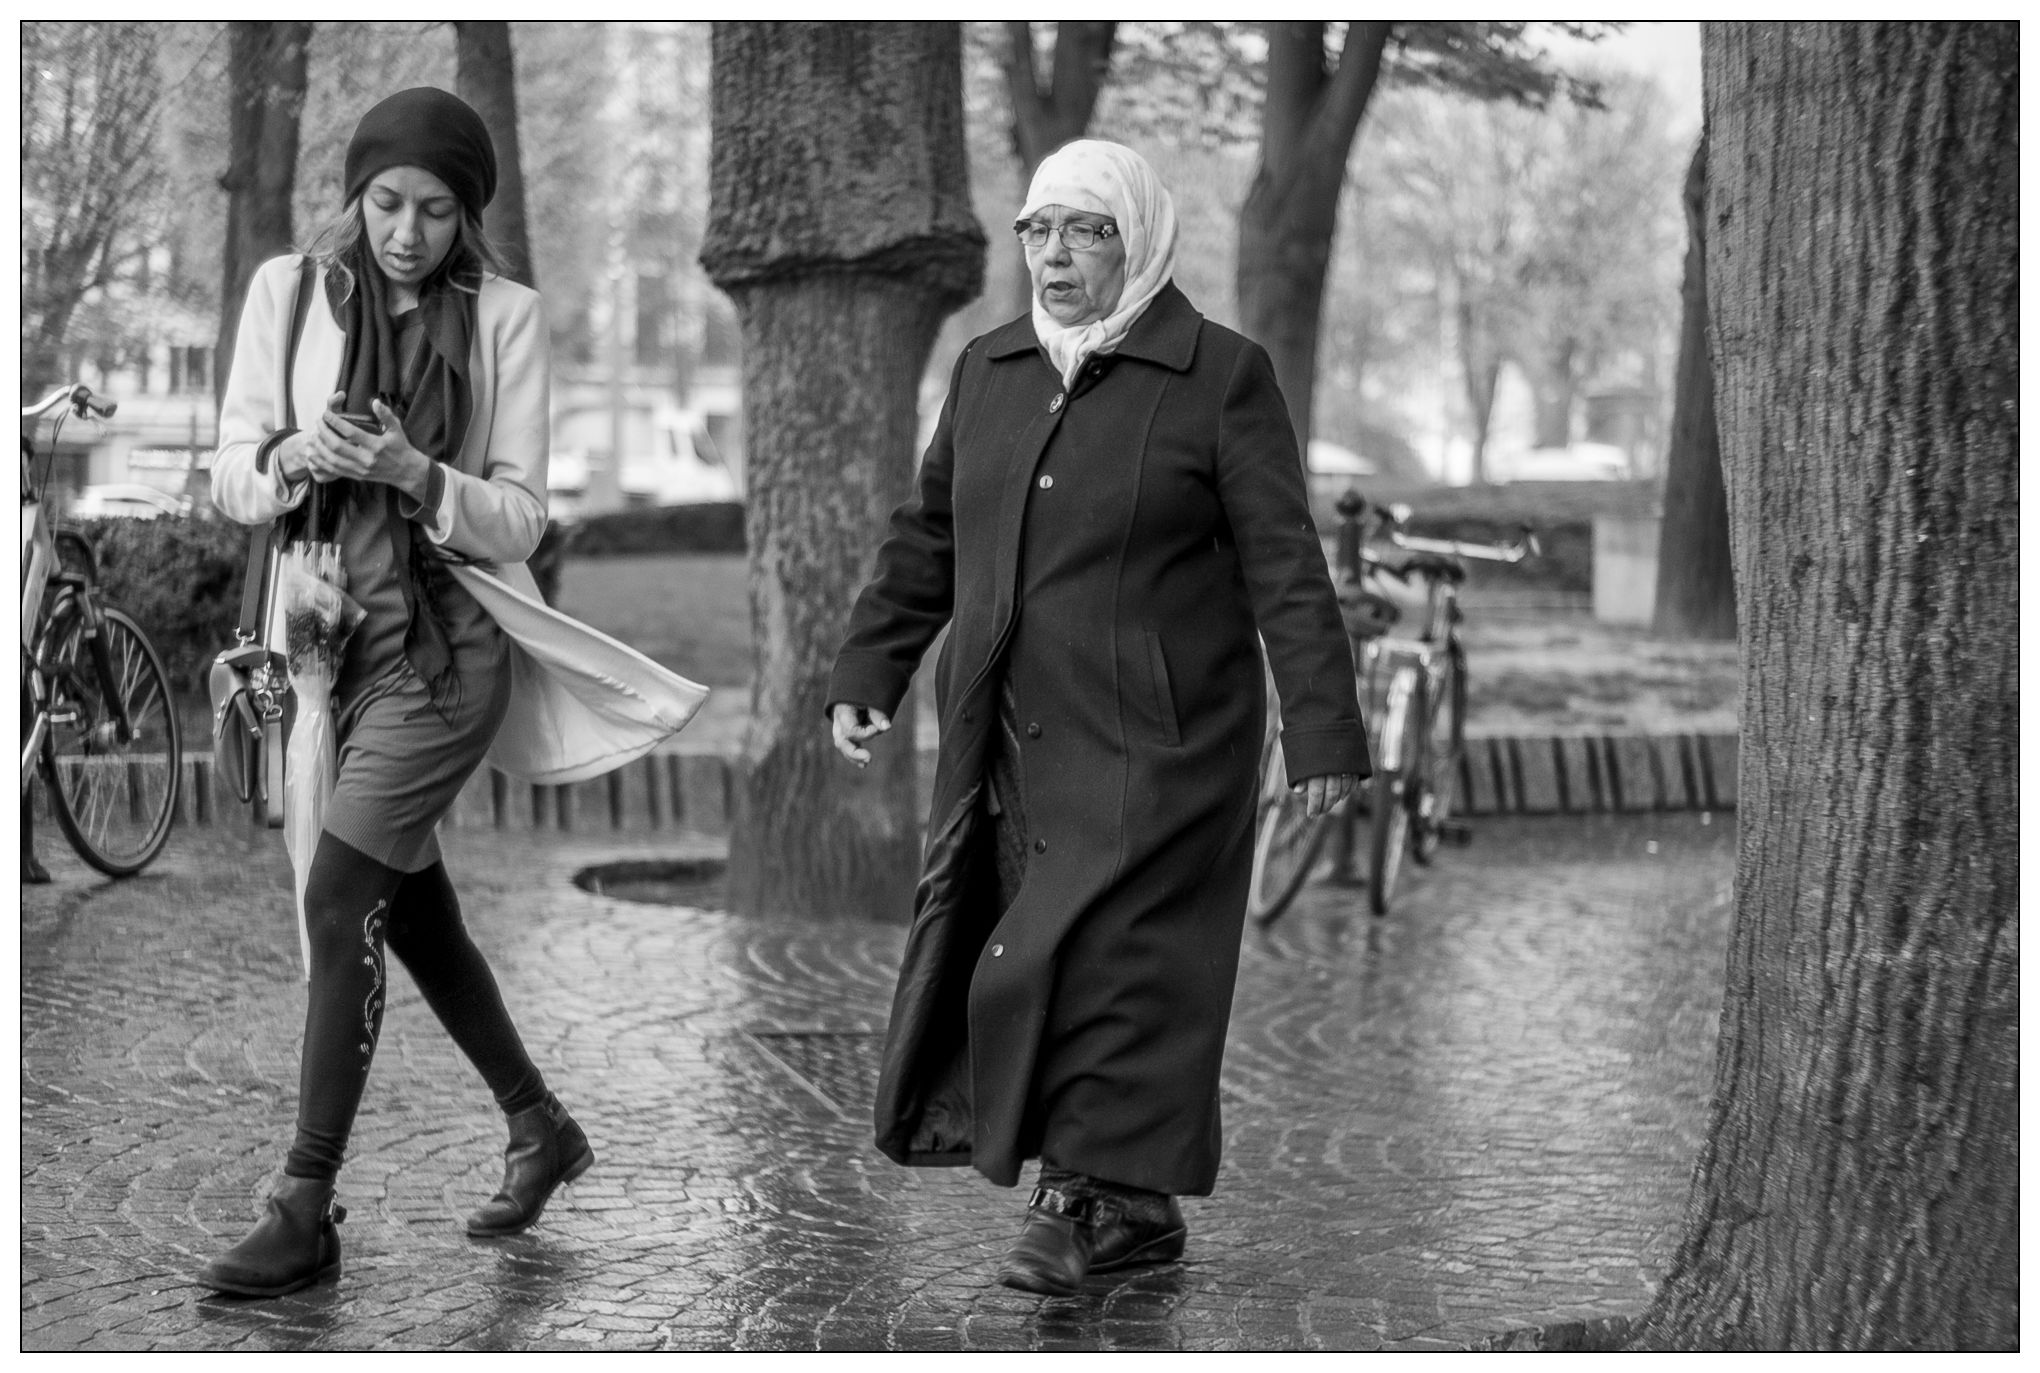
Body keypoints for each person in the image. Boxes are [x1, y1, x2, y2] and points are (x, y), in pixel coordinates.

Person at [826, 139, 1369, 1296]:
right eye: (1039, 229)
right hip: (1012, 733)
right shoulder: (989, 368)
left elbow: (1285, 561)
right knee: (1031, 948)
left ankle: (1090, 1198)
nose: (1056, 254)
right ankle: (1126, 1199)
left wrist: (1323, 725)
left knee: (1121, 960)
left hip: (1162, 737)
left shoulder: (1219, 375)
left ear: (1141, 238)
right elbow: (931, 535)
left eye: (1088, 230)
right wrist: (869, 666)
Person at [200, 87, 669, 1299]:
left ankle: (304, 1203)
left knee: (338, 887)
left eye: (437, 211)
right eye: (387, 203)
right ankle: (538, 1123)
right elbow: (230, 474)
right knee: (410, 905)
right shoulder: (286, 293)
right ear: (355, 196)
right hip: (324, 645)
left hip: (449, 651)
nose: (408, 233)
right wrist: (291, 454)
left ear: (470, 217)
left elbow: (522, 514)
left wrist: (420, 474)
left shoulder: (507, 317)